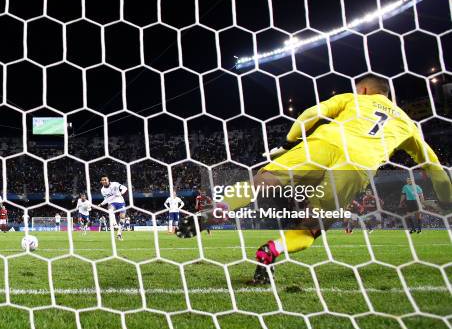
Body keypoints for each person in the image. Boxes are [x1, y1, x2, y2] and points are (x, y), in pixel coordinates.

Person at [177, 75, 451, 285]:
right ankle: (272, 250)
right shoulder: (407, 124)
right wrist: (447, 201)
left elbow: (310, 115)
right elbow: (434, 167)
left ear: (364, 90)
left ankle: (222, 208)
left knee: (263, 181)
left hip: (324, 143)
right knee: (311, 228)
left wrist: (287, 144)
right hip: (357, 165)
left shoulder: (354, 99)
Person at [98, 176, 128, 240]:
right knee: (110, 210)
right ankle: (114, 225)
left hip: (120, 202)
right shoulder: (102, 190)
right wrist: (101, 204)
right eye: (102, 180)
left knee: (122, 218)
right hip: (111, 202)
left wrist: (121, 193)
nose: (104, 181)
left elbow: (125, 188)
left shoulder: (115, 184)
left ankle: (119, 234)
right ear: (101, 182)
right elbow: (106, 199)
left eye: (105, 180)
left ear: (108, 180)